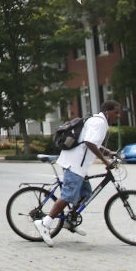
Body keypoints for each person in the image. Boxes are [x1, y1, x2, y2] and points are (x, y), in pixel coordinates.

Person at [34, 99, 122, 246]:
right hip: (74, 164)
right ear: (107, 111)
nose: (118, 116)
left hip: (79, 166)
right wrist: (105, 161)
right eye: (116, 112)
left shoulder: (99, 122)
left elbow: (92, 142)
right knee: (68, 195)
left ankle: (70, 220)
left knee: (86, 193)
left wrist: (108, 152)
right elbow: (89, 142)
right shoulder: (99, 123)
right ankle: (45, 223)